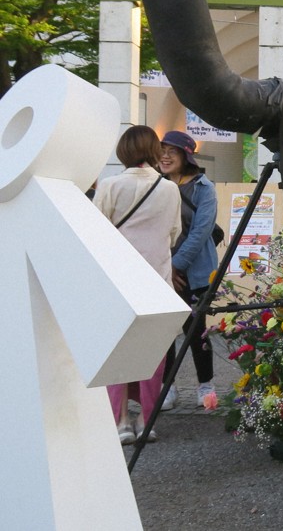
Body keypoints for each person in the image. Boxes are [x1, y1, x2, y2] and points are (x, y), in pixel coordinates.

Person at [93, 125, 182, 444]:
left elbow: (97, 233)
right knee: (151, 355)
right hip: (156, 283)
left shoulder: (110, 185)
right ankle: (146, 420)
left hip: (117, 282)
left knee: (116, 353)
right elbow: (173, 234)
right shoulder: (169, 188)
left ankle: (119, 421)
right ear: (154, 151)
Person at [159, 130, 220, 407]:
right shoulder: (155, 186)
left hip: (193, 272)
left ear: (186, 156)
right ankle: (167, 386)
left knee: (197, 331)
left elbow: (200, 233)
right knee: (165, 332)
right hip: (160, 270)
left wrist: (176, 266)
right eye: (162, 149)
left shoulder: (204, 188)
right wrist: (164, 268)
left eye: (172, 151)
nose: (165, 155)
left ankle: (205, 384)